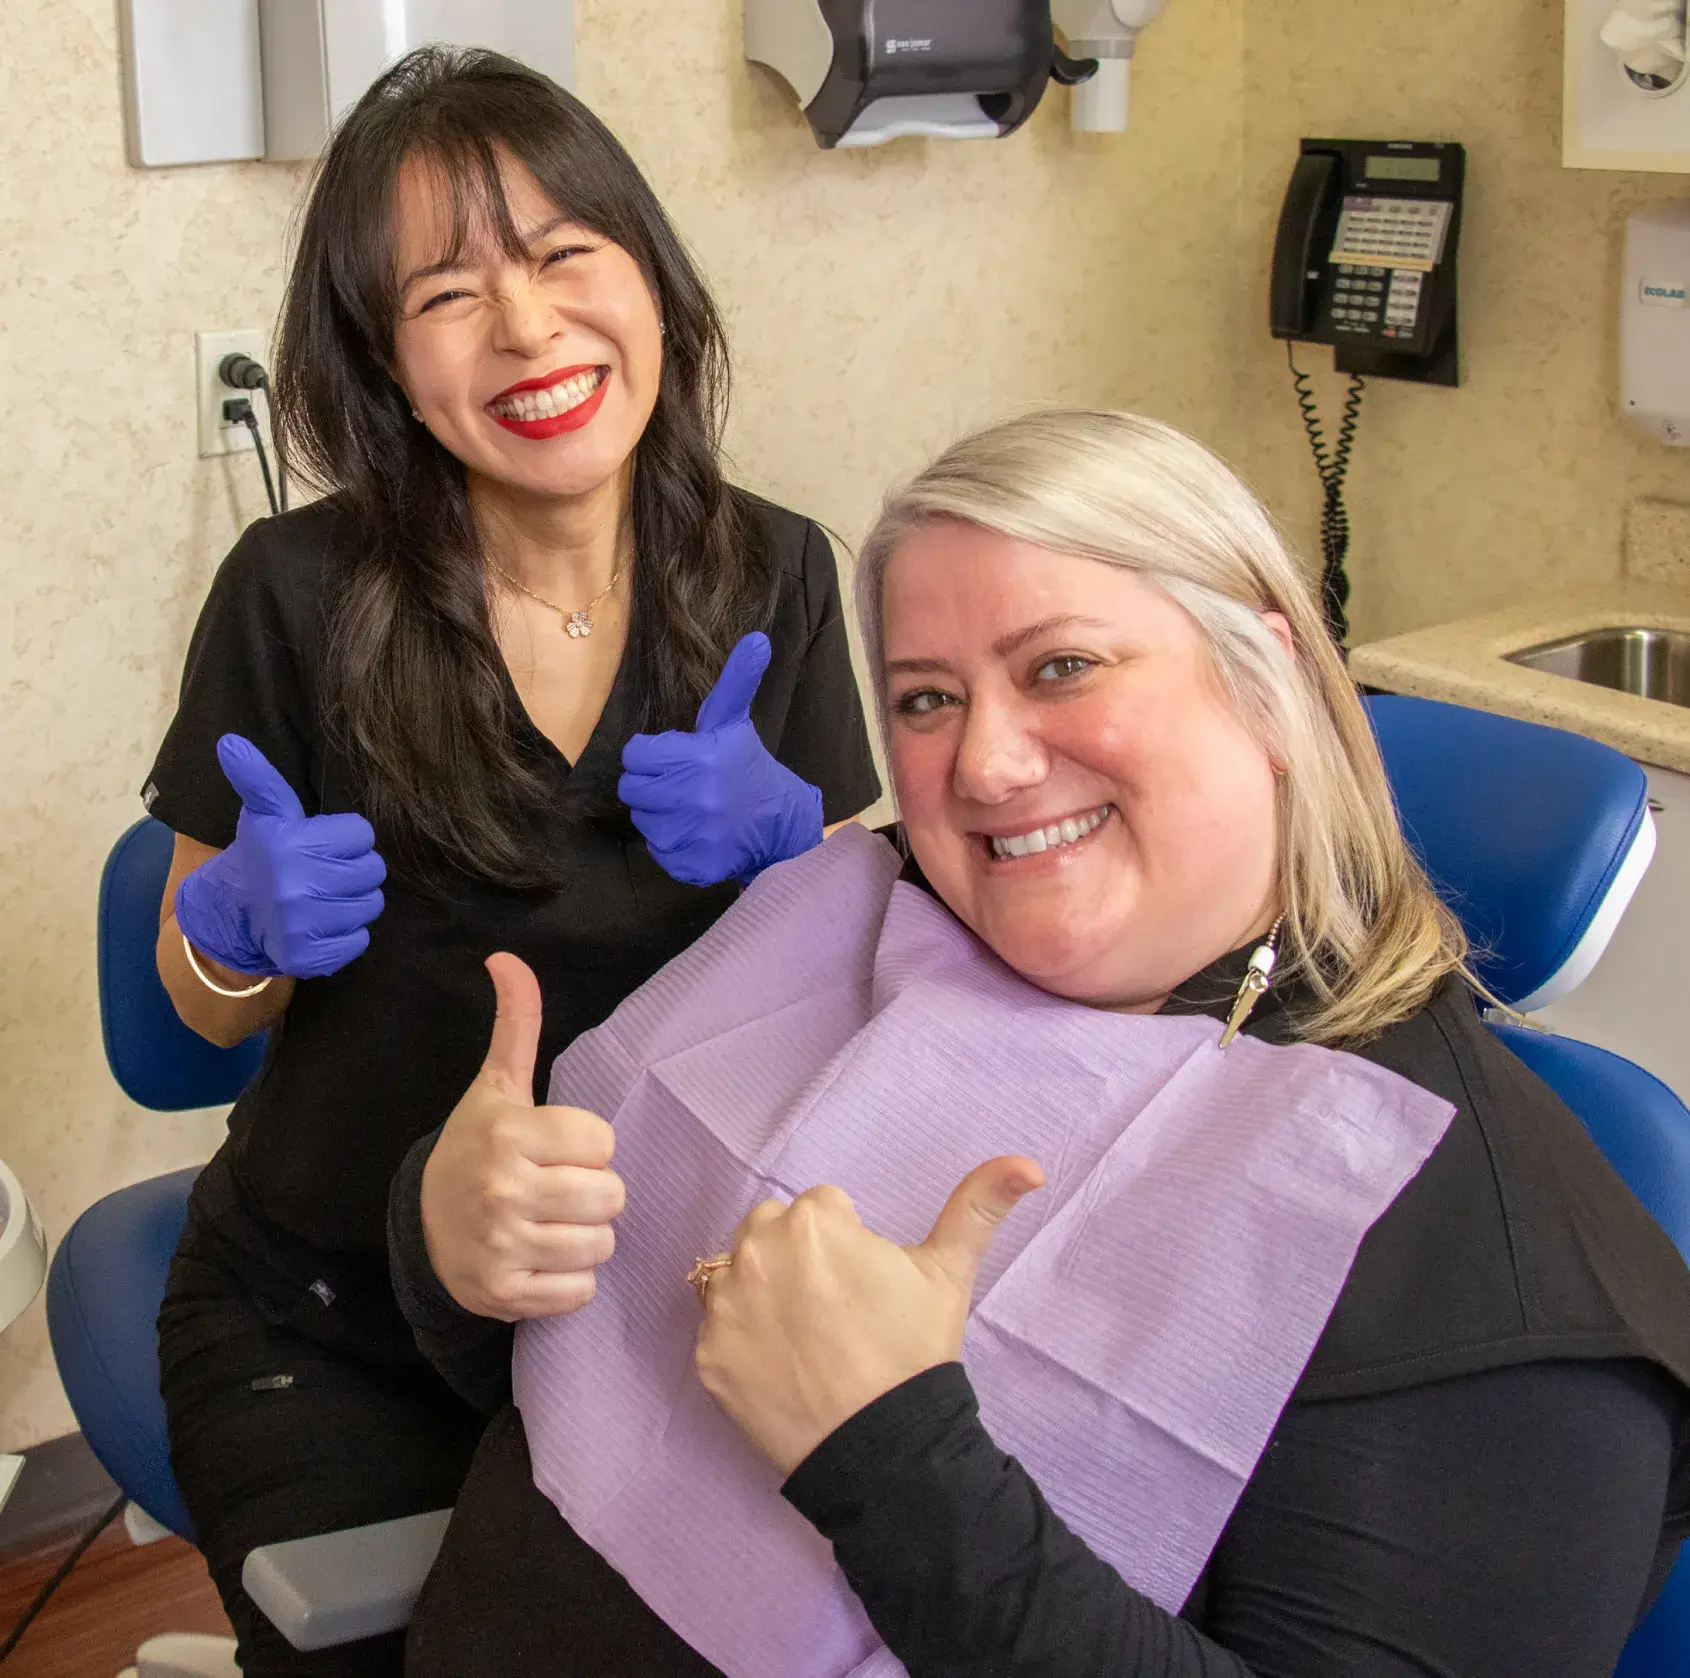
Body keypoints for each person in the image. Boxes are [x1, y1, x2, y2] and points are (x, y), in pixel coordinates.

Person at [389, 409, 1690, 1676]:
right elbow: (545, 1375)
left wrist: (888, 1451)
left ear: (1271, 678)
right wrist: (448, 1235)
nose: (988, 764)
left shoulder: (1491, 1281)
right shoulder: (856, 911)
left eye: (1060, 666)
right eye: (925, 698)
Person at [145, 47, 878, 1677]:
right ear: (388, 367)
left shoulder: (778, 573)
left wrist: (807, 857)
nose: (530, 328)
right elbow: (200, 1011)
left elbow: (840, 1000)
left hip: (648, 1317)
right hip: (328, 1319)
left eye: (564, 257)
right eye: (449, 294)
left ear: (654, 287)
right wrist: (236, 936)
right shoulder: (294, 592)